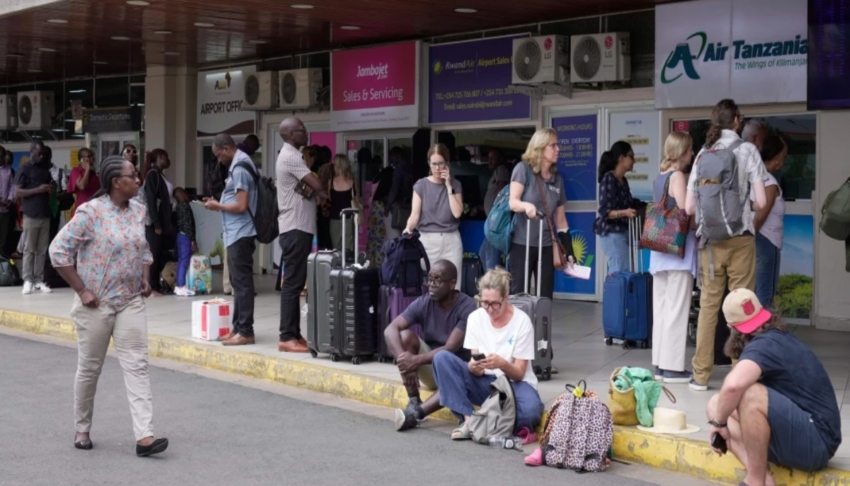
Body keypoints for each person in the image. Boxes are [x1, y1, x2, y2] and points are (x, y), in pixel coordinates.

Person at [48, 155, 168, 457]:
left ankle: (145, 437)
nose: (138, 180)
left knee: (137, 365)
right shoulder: (90, 213)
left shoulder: (138, 210)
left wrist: (144, 278)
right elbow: (58, 251)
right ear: (117, 182)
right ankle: (82, 427)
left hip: (130, 302)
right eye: (133, 176)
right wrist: (82, 290)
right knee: (90, 369)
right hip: (96, 304)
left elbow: (142, 250)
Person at [706, 288, 840, 485]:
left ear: (730, 326)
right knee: (716, 405)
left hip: (817, 441)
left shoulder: (766, 345)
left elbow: (733, 386)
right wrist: (720, 421)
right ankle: (763, 477)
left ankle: (755, 480)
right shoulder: (771, 338)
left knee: (749, 394)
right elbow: (727, 396)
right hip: (800, 435)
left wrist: (719, 426)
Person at [685, 99, 767, 391]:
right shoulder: (747, 151)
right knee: (742, 306)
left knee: (708, 306)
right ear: (737, 122)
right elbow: (761, 200)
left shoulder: (703, 154)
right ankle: (738, 373)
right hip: (741, 239)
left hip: (709, 243)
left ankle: (700, 375)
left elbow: (688, 206)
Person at [432, 268, 544, 440]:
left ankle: (484, 422)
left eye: (495, 304)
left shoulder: (522, 322)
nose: (489, 309)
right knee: (442, 359)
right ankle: (468, 419)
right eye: (485, 303)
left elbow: (520, 373)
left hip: (515, 384)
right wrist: (473, 366)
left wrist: (502, 364)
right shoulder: (476, 317)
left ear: (506, 298)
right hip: (485, 381)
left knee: (530, 413)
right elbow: (474, 362)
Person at [384, 260, 477, 431]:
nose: (431, 285)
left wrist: (416, 360)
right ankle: (413, 400)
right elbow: (391, 329)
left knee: (444, 358)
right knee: (404, 337)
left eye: (437, 280)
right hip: (430, 367)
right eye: (429, 279)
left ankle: (415, 414)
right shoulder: (424, 302)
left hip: (457, 371)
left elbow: (450, 348)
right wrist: (404, 361)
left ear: (452, 283)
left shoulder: (467, 306)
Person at [649, 132, 698, 383]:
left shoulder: (660, 177)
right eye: (689, 151)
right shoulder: (678, 176)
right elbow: (684, 214)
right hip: (677, 252)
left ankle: (659, 362)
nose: (691, 155)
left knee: (661, 308)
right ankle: (673, 367)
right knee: (677, 309)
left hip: (659, 252)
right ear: (682, 151)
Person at [276, 117, 327, 353]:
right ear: (289, 134)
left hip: (299, 227)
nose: (305, 132)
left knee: (295, 284)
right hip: (295, 227)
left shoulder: (293, 156)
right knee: (293, 285)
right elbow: (315, 184)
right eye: (301, 129)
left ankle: (294, 334)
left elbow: (305, 190)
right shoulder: (290, 157)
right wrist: (320, 183)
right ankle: (287, 336)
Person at [204, 134, 258, 345]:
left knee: (242, 283)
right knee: (237, 282)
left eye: (219, 155)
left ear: (227, 148)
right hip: (235, 232)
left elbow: (241, 205)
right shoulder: (237, 165)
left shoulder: (241, 168)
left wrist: (218, 206)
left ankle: (245, 331)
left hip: (241, 233)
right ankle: (238, 328)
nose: (219, 160)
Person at [508, 128, 575, 298]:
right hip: (522, 243)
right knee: (519, 295)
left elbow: (560, 220)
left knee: (545, 296)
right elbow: (513, 202)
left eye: (557, 145)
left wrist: (569, 250)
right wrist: (526, 206)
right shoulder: (523, 169)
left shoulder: (557, 178)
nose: (558, 149)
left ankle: (541, 325)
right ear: (540, 148)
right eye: (553, 146)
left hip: (546, 245)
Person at [403, 143, 464, 290]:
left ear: (447, 164)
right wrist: (407, 228)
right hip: (428, 240)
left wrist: (449, 186)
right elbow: (414, 215)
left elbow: (457, 212)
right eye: (434, 164)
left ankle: (453, 313)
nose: (437, 168)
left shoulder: (456, 184)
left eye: (441, 163)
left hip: (451, 239)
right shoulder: (421, 185)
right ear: (429, 164)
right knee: (430, 286)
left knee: (453, 286)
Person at [594, 140, 644, 275]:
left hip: (622, 233)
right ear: (621, 158)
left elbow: (629, 202)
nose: (634, 161)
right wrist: (625, 213)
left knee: (622, 273)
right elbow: (605, 211)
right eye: (631, 156)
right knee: (620, 274)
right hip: (612, 233)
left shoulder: (623, 180)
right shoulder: (608, 178)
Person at [754, 134, 787, 310]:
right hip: (767, 242)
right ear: (774, 157)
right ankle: (762, 335)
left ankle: (751, 335)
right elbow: (760, 216)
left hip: (759, 241)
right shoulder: (769, 183)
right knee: (764, 295)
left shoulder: (755, 177)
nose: (782, 162)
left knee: (755, 293)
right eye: (782, 157)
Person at [16, 141, 54, 294]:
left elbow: (49, 187)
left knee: (42, 249)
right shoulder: (25, 169)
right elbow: (18, 192)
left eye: (43, 153)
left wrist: (50, 189)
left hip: (45, 213)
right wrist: (38, 190)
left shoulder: (46, 169)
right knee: (29, 249)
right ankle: (27, 279)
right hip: (31, 213)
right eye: (39, 153)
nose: (42, 155)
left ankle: (39, 280)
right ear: (32, 151)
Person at [143, 149, 175, 295]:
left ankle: (156, 284)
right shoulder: (153, 175)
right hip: (153, 223)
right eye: (166, 157)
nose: (168, 160)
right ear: (159, 158)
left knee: (160, 253)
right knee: (153, 254)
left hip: (163, 222)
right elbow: (151, 200)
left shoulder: (160, 175)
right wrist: (156, 223)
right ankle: (151, 286)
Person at [480, 149, 511, 272]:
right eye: (489, 157)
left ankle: (495, 287)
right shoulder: (495, 172)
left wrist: (496, 213)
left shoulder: (501, 169)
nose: (489, 161)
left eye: (493, 158)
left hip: (496, 224)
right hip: (492, 224)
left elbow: (501, 193)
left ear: (500, 159)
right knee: (484, 253)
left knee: (490, 260)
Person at [328, 154, 359, 253]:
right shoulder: (352, 182)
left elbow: (330, 198)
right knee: (349, 248)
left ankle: (337, 267)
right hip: (349, 218)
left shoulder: (331, 182)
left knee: (336, 247)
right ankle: (349, 267)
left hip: (334, 217)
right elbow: (357, 200)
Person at [172, 187, 197, 297]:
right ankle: (180, 286)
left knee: (181, 260)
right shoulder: (184, 206)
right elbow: (187, 225)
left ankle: (180, 285)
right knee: (184, 261)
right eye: (184, 193)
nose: (186, 195)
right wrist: (192, 240)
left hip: (180, 236)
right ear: (180, 195)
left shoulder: (177, 207)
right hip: (185, 236)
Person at [68, 147, 101, 215]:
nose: (92, 159)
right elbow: (82, 186)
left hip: (95, 210)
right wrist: (87, 169)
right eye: (89, 156)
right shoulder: (76, 171)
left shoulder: (94, 174)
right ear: (82, 159)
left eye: (92, 156)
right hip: (82, 210)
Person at [0, 146, 15, 258]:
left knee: (4, 237)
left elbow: (12, 186)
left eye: (1, 155)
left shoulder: (9, 170)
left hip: (5, 208)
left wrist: (10, 199)